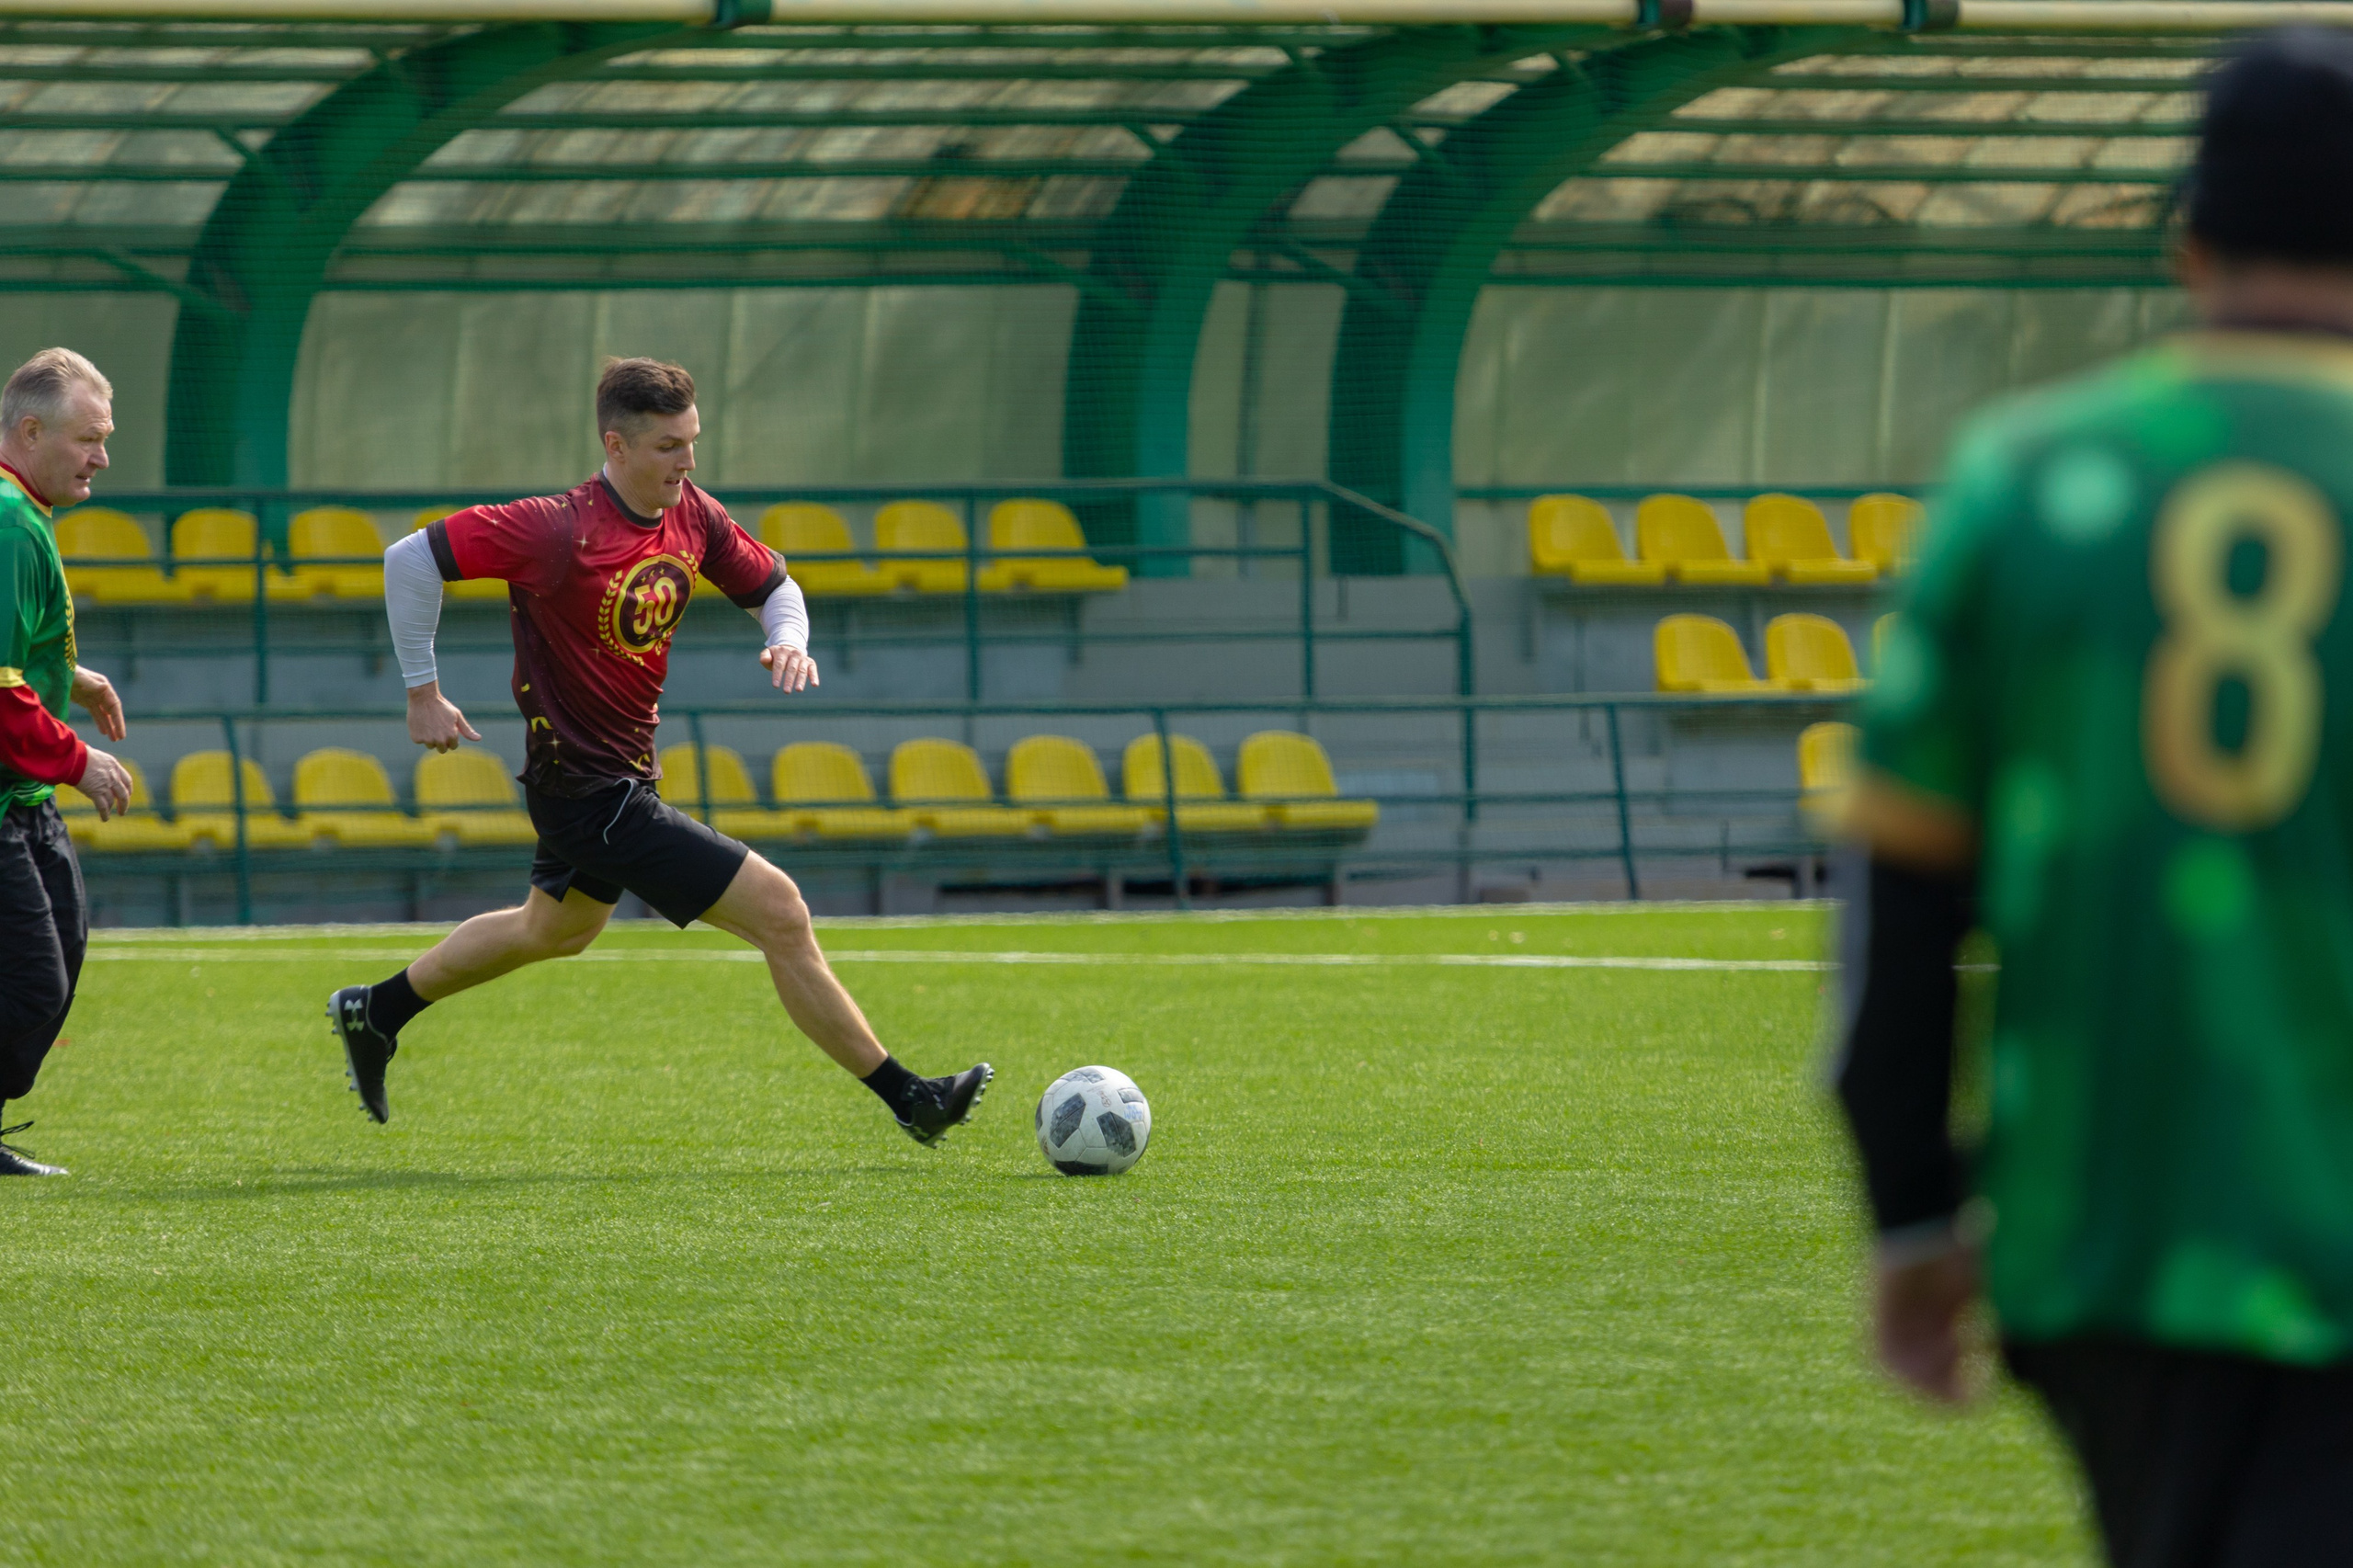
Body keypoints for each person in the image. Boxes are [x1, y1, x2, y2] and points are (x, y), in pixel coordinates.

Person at [1835, 28, 2353, 1564]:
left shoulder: (2025, 477)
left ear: (2188, 238)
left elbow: (1901, 910)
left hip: (2106, 1238)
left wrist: (1915, 1216)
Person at [328, 357, 990, 1144]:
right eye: (671, 446)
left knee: (556, 931)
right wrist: (421, 692)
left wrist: (787, 639)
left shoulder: (693, 515)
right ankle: (910, 1098)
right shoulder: (556, 527)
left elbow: (778, 588)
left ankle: (377, 1010)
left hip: (617, 777)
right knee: (781, 911)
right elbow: (409, 559)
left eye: (693, 441)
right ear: (617, 444)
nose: (689, 461)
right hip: (589, 791)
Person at [0, 348, 134, 1177]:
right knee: (32, 986)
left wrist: (70, 676)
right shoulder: (10, 523)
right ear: (30, 430)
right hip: (13, 786)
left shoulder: (25, 511)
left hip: (20, 789)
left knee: (61, 953)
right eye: (89, 438)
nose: (103, 457)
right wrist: (78, 758)